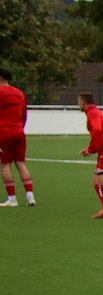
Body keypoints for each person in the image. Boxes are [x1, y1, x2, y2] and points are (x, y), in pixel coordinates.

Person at [0, 68, 32, 208]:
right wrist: (20, 127)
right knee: (21, 163)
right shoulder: (19, 93)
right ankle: (30, 196)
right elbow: (24, 114)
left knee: (5, 164)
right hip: (19, 132)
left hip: (3, 132)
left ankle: (12, 198)